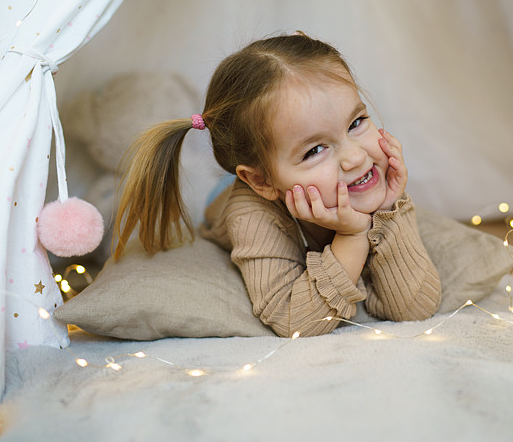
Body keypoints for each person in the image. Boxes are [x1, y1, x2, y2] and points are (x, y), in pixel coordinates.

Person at [114, 33, 441, 337]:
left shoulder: (367, 179)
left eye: (356, 123)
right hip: (227, 199)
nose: (355, 158)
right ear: (260, 180)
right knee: (216, 193)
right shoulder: (251, 215)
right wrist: (353, 236)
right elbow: (295, 321)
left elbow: (414, 308)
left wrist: (388, 211)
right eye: (315, 150)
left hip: (278, 176)